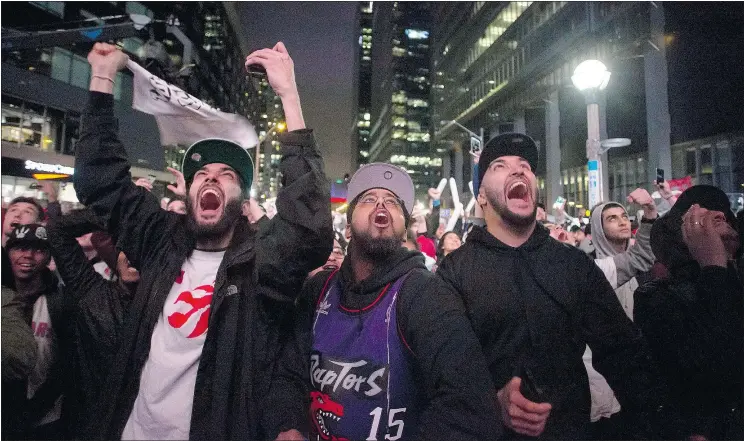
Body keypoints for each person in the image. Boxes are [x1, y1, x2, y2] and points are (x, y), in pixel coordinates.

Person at [72, 42, 332, 441]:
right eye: (202, 173)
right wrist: (103, 77)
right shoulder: (160, 241)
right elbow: (99, 179)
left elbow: (308, 227)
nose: (211, 177)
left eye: (227, 174)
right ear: (189, 191)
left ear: (242, 200)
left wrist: (289, 95)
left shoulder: (259, 263)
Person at [436, 133, 659, 439]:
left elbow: (623, 354)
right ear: (482, 196)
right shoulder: (454, 272)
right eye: (500, 166)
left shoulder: (573, 266)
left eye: (525, 165)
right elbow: (444, 371)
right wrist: (493, 401)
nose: (518, 170)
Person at [275, 163, 501, 441]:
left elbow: (469, 405)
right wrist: (288, 424)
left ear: (404, 230)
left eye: (393, 202)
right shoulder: (318, 291)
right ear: (347, 228)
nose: (381, 205)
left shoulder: (425, 293)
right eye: (369, 199)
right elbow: (288, 374)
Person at [635, 186, 743, 440]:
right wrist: (714, 268)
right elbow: (714, 368)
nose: (718, 217)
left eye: (723, 214)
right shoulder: (658, 298)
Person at [46, 208, 141, 436]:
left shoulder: (167, 305)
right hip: (87, 420)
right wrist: (118, 211)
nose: (133, 255)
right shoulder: (92, 293)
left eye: (142, 248)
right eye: (125, 248)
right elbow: (57, 230)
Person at [583, 190, 659, 439]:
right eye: (612, 218)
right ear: (598, 228)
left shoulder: (648, 270)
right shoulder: (589, 270)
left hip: (639, 375)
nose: (622, 221)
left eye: (624, 215)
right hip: (600, 376)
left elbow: (642, 257)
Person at [3, 223, 69, 440]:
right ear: (8, 252)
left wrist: (36, 408)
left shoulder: (61, 301)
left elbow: (67, 364)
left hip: (46, 418)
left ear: (49, 257)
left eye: (38, 249)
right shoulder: (4, 297)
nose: (28, 256)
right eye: (20, 247)